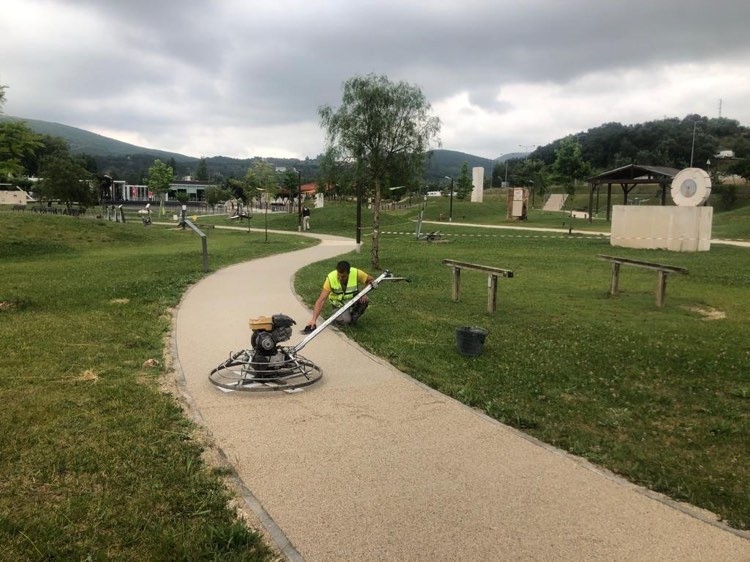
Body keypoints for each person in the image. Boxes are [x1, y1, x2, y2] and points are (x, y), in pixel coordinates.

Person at [305, 260, 375, 332]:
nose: (340, 279)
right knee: (346, 320)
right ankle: (338, 318)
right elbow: (321, 300)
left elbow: (371, 280)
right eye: (339, 276)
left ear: (349, 273)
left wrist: (364, 293)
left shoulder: (356, 273)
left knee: (364, 301)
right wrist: (313, 320)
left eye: (343, 276)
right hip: (338, 305)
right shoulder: (330, 278)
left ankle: (352, 320)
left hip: (352, 300)